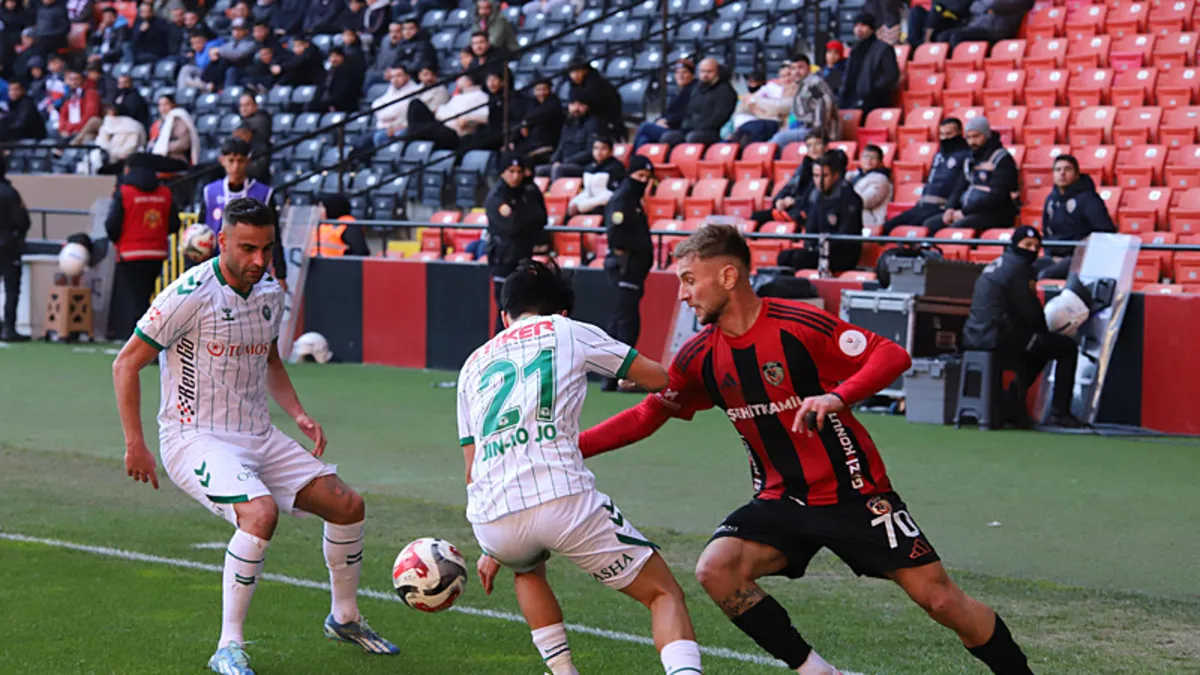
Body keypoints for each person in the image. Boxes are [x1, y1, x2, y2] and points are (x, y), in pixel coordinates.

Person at [579, 223, 1037, 675]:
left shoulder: (797, 325)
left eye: (689, 280)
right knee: (717, 570)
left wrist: (837, 396)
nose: (683, 294)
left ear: (728, 276)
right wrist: (569, 449)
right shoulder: (697, 356)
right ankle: (816, 671)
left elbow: (891, 354)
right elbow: (645, 415)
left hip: (855, 493)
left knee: (940, 600)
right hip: (780, 499)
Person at [112, 197, 400, 675]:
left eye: (267, 249)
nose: (259, 261)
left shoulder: (269, 293)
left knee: (348, 505)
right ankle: (228, 646)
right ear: (222, 241)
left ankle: (344, 617)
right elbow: (126, 363)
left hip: (258, 434)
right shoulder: (187, 294)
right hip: (194, 436)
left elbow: (268, 360)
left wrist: (299, 414)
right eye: (247, 248)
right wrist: (134, 443)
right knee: (259, 513)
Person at [462, 260, 705, 675]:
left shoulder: (472, 366)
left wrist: (491, 548)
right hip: (563, 499)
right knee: (664, 594)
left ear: (504, 315)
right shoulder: (569, 331)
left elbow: (473, 468)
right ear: (562, 310)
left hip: (491, 518)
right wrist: (633, 378)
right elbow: (658, 377)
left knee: (526, 567)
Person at [963, 226, 1083, 429]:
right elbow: (1029, 310)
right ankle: (1059, 413)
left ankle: (1012, 403)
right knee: (1065, 347)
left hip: (975, 333)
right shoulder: (1020, 268)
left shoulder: (996, 264)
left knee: (1038, 347)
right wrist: (1044, 331)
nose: (1032, 250)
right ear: (1015, 244)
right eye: (1027, 245)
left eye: (1036, 246)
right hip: (997, 336)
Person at [103, 153, 178, 341]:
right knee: (145, 296)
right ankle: (147, 337)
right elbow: (174, 224)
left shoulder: (125, 192)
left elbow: (112, 224)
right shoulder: (165, 193)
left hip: (129, 254)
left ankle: (138, 339)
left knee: (131, 300)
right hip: (156, 253)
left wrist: (119, 241)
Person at [601, 156, 655, 391]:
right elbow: (616, 232)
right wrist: (630, 254)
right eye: (639, 176)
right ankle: (621, 375)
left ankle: (612, 377)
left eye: (646, 177)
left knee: (620, 321)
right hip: (626, 267)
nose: (643, 181)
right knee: (626, 323)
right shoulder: (624, 198)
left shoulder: (633, 198)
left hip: (632, 269)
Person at [485, 154, 547, 332]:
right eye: (511, 171)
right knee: (506, 308)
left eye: (519, 171)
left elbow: (541, 218)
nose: (516, 176)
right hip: (503, 258)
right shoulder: (496, 197)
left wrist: (522, 217)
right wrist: (525, 219)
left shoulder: (528, 191)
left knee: (524, 308)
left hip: (523, 255)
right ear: (502, 173)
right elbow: (512, 225)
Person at [777, 150, 863, 274]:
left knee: (798, 259)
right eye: (816, 176)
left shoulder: (849, 198)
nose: (819, 181)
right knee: (784, 257)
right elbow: (811, 228)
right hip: (819, 249)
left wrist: (820, 248)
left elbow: (846, 235)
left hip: (842, 254)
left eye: (825, 176)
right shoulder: (816, 196)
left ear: (835, 176)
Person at [881, 117, 970, 235]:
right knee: (887, 227)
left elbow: (961, 185)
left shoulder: (966, 156)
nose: (945, 138)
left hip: (942, 207)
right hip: (923, 205)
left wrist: (950, 206)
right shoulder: (938, 155)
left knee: (917, 229)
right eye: (942, 134)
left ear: (959, 133)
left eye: (949, 134)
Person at [1038, 154, 1116, 280]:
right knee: (1023, 269)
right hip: (1054, 256)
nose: (1062, 173)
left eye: (1067, 169)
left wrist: (1081, 252)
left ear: (1076, 174)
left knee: (1045, 275)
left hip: (1080, 257)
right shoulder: (1051, 200)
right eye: (1058, 170)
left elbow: (1105, 232)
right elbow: (1046, 232)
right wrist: (1050, 255)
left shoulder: (1089, 199)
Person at [938, 116, 1019, 234]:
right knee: (932, 224)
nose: (972, 142)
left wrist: (964, 212)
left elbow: (997, 196)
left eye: (976, 136)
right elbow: (960, 187)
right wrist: (950, 208)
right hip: (967, 211)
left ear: (986, 135)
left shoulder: (1002, 159)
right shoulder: (970, 157)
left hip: (994, 213)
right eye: (969, 137)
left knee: (954, 230)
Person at [750, 132, 826, 229]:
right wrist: (779, 200)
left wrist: (794, 202)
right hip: (790, 208)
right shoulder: (803, 167)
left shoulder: (828, 169)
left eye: (817, 144)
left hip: (807, 212)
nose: (813, 149)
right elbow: (787, 187)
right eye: (809, 145)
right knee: (755, 218)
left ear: (825, 147)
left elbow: (817, 197)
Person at [769, 56, 840, 150]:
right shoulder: (802, 85)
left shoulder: (814, 83)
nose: (796, 72)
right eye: (793, 68)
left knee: (779, 139)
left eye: (800, 67)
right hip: (803, 128)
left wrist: (817, 132)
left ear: (809, 68)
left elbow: (825, 105)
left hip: (817, 131)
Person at [662, 58, 737, 146]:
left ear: (718, 72)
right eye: (702, 71)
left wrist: (699, 127)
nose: (705, 75)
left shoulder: (725, 91)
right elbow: (689, 111)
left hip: (713, 131)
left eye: (709, 72)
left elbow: (719, 118)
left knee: (692, 137)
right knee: (668, 137)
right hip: (692, 129)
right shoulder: (697, 88)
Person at [838, 13, 900, 116]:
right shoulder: (854, 50)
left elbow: (890, 76)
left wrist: (872, 90)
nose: (859, 29)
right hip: (852, 100)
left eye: (863, 25)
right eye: (856, 26)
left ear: (871, 28)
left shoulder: (884, 49)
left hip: (874, 101)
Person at [631, 59, 696, 150]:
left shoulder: (693, 91)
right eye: (677, 73)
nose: (680, 76)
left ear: (692, 75)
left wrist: (666, 121)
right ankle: (640, 160)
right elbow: (668, 112)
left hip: (678, 129)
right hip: (669, 126)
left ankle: (633, 157)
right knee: (644, 138)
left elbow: (684, 113)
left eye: (684, 73)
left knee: (645, 127)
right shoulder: (678, 91)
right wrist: (659, 120)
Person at [0, 155, 31, 342]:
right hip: (7, 246)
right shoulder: (9, 193)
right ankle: (9, 328)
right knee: (11, 288)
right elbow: (22, 221)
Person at [539, 91, 600, 180]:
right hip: (564, 163)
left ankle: (556, 193)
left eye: (580, 105)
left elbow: (591, 151)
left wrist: (566, 161)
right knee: (539, 170)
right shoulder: (568, 124)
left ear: (587, 107)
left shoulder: (593, 123)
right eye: (573, 104)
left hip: (583, 165)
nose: (576, 108)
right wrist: (554, 160)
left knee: (558, 169)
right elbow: (561, 146)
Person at [568, 137, 624, 217]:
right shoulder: (589, 167)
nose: (599, 152)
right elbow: (587, 191)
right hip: (590, 201)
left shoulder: (616, 168)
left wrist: (582, 206)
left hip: (606, 206)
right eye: (596, 148)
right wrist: (574, 203)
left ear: (611, 151)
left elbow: (611, 194)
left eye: (603, 149)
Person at [513, 78, 564, 165]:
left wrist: (526, 122)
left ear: (550, 90)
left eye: (544, 89)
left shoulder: (554, 103)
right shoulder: (531, 103)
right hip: (530, 143)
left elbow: (541, 115)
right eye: (538, 90)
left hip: (547, 143)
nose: (541, 93)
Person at [566, 61, 622, 139]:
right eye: (572, 72)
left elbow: (593, 99)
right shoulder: (575, 84)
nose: (574, 75)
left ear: (585, 71)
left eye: (578, 71)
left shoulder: (596, 82)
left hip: (605, 119)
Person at [370, 65, 419, 148]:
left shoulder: (414, 90)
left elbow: (398, 111)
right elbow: (376, 104)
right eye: (393, 76)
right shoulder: (392, 88)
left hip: (400, 127)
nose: (395, 79)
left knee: (378, 138)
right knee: (361, 141)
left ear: (407, 76)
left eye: (399, 75)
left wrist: (384, 113)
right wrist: (387, 113)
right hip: (384, 126)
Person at [847, 144, 893, 228]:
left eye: (873, 158)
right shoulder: (855, 175)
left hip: (871, 220)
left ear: (880, 162)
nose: (868, 160)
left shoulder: (881, 179)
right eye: (866, 156)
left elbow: (864, 201)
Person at [150, 94, 200, 167]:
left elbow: (183, 144)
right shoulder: (159, 123)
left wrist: (162, 147)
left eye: (166, 104)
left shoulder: (179, 119)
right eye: (160, 105)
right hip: (162, 157)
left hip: (177, 159)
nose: (163, 108)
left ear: (173, 104)